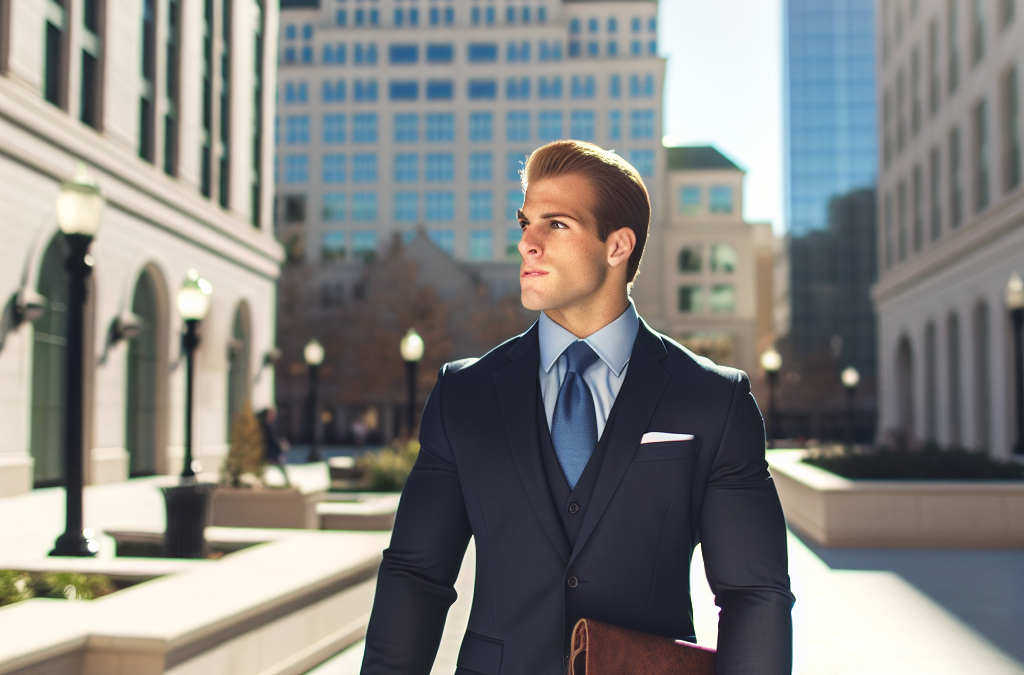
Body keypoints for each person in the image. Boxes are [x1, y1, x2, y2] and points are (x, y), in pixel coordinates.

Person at [360, 141, 794, 675]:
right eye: (526, 224)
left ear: (617, 246)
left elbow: (755, 593)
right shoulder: (465, 396)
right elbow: (415, 577)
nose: (527, 244)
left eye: (557, 224)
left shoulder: (712, 400)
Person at [257, 407, 290, 486]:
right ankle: (287, 483)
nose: (273, 416)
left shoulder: (272, 426)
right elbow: (270, 442)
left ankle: (287, 483)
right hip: (269, 453)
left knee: (277, 468)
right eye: (271, 414)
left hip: (273, 453)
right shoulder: (266, 427)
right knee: (268, 468)